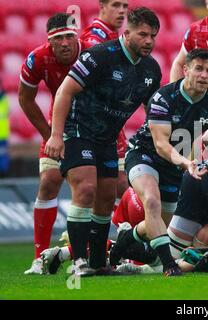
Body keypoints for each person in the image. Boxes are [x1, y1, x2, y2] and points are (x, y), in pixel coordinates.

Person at [44, 7, 162, 277]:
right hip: (78, 130)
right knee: (85, 189)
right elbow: (65, 91)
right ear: (127, 32)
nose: (148, 41)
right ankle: (78, 262)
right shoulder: (99, 56)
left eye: (153, 36)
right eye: (142, 34)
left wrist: (159, 143)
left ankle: (98, 263)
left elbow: (155, 112)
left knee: (107, 197)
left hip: (107, 137)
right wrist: (55, 134)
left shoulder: (151, 69)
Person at [109, 48, 208, 276]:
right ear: (186, 70)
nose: (204, 75)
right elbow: (161, 144)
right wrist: (186, 163)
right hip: (145, 155)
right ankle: (169, 267)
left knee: (157, 224)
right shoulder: (164, 97)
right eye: (199, 69)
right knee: (152, 202)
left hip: (175, 168)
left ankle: (127, 237)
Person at [19, 13, 84, 274]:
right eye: (59, 38)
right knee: (48, 182)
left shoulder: (91, 54)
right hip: (59, 126)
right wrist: (49, 135)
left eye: (70, 36)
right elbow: (25, 99)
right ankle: (40, 259)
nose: (65, 43)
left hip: (94, 127)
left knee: (114, 187)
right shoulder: (37, 59)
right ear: (49, 41)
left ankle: (115, 250)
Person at [81, 0, 130, 207]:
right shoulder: (94, 38)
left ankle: (119, 235)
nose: (122, 11)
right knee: (112, 186)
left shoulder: (113, 37)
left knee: (116, 186)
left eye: (125, 6)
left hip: (110, 122)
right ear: (101, 6)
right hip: (95, 122)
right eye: (116, 5)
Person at [0, 85, 9, 177]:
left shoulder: (3, 98)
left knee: (2, 154)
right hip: (3, 132)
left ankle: (3, 174)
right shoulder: (4, 97)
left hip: (2, 133)